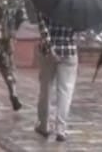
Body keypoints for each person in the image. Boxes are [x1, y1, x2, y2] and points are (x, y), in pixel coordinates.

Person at [35, 14, 78, 142]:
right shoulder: (75, 8)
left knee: (45, 90)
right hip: (69, 51)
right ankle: (61, 129)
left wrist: (50, 47)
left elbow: (43, 29)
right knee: (65, 91)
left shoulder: (46, 5)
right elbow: (79, 28)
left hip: (49, 53)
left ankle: (44, 125)